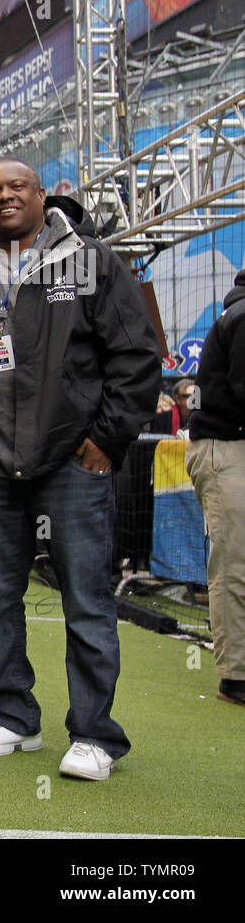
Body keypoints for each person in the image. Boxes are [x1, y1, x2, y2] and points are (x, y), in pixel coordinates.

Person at [0, 159, 159, 781]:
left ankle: (95, 735)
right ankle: (13, 716)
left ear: (43, 196)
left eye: (17, 188)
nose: (4, 197)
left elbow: (137, 356)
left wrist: (107, 441)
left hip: (70, 460)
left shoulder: (90, 260)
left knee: (86, 600)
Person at [185, 268, 245, 707]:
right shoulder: (243, 316)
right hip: (226, 448)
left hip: (229, 445)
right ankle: (236, 675)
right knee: (234, 565)